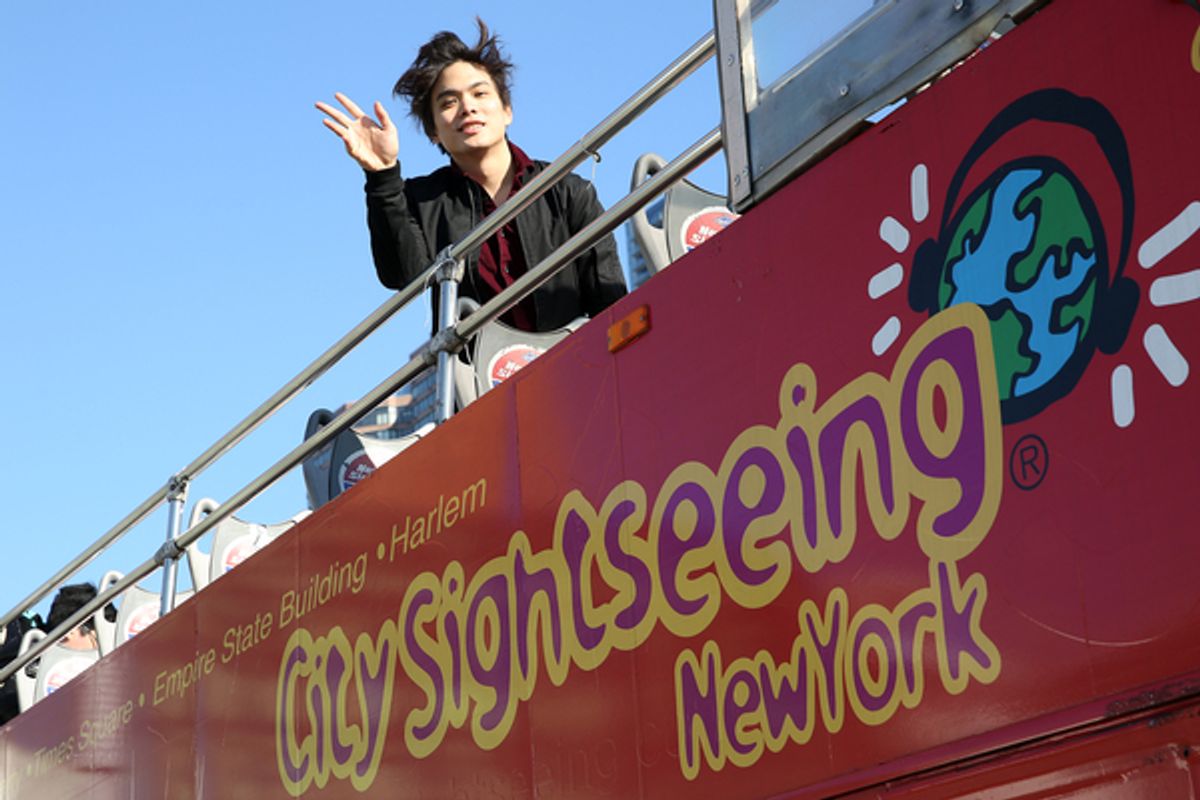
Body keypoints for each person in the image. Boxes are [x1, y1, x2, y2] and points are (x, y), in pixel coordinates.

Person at [316, 18, 627, 334]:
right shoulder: (420, 200)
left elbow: (609, 298)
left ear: (507, 110)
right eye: (449, 102)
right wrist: (382, 175)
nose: (467, 108)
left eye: (479, 94)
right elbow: (403, 276)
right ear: (433, 131)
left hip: (574, 364)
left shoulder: (567, 191)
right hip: (475, 377)